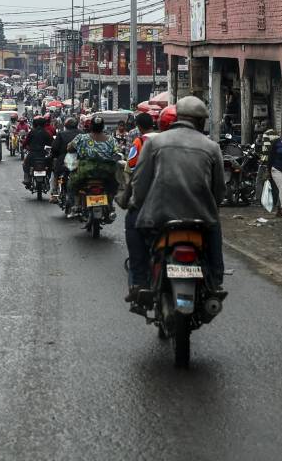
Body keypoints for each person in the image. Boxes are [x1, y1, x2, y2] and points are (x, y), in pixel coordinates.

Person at [128, 96, 226, 294]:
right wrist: (211, 207)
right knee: (215, 225)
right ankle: (215, 280)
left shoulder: (154, 143)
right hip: (200, 217)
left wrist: (134, 203)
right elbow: (219, 190)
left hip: (159, 216)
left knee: (132, 220)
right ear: (200, 121)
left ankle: (139, 282)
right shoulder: (212, 147)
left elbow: (139, 183)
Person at [121, 111, 156, 310]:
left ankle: (138, 286)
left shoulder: (140, 142)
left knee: (133, 232)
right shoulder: (165, 139)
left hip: (146, 200)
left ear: (139, 126)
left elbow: (130, 167)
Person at [66, 115, 119, 216]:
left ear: (91, 126)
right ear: (103, 127)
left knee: (72, 182)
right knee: (113, 185)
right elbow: (118, 152)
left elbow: (69, 148)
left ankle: (76, 205)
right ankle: (110, 205)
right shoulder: (111, 140)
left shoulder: (82, 138)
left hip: (85, 172)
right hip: (106, 172)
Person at [51, 116, 80, 201]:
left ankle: (55, 193)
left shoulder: (61, 134)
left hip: (63, 161)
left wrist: (54, 156)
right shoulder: (82, 134)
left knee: (56, 174)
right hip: (79, 161)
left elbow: (55, 148)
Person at [21, 116, 52, 188]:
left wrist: (24, 147)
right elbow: (51, 144)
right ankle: (49, 178)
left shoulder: (32, 132)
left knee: (25, 164)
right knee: (51, 165)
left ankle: (27, 179)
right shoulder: (47, 133)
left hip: (32, 154)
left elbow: (25, 143)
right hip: (44, 155)